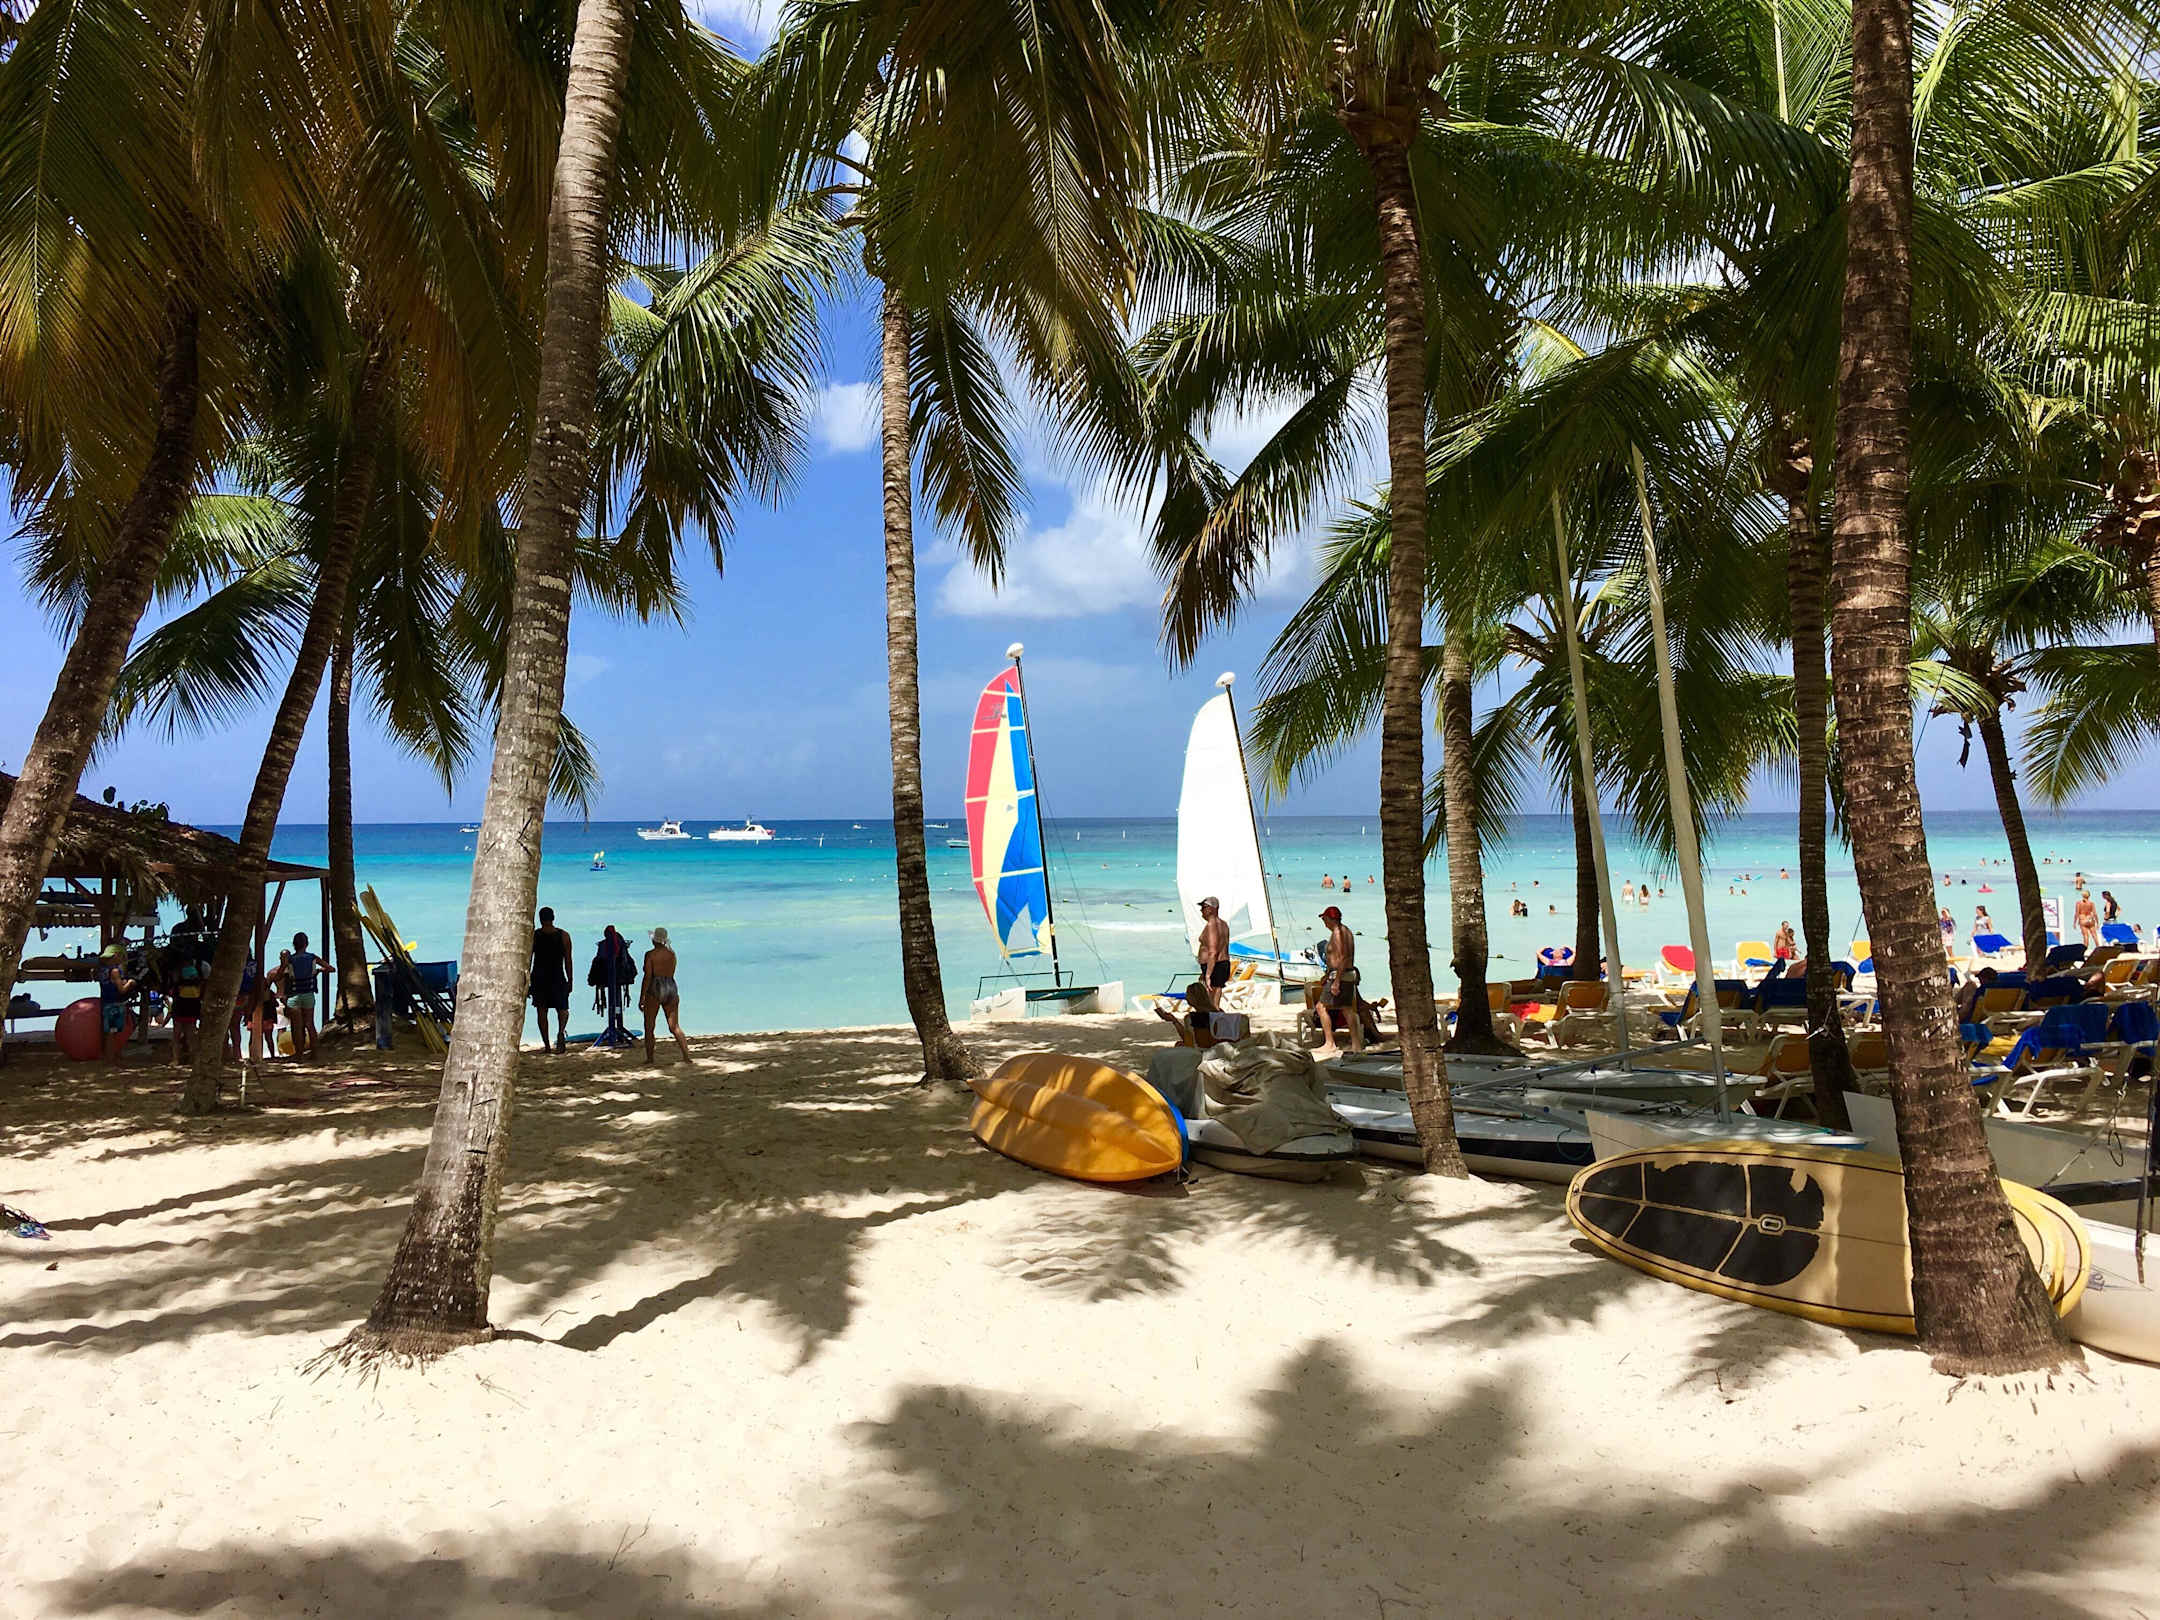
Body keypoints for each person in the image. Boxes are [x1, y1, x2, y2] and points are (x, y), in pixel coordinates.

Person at [1315, 904, 1363, 1060]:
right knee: (1347, 1009)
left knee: (1321, 1007)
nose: (1324, 923)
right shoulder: (1345, 931)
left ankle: (1330, 1043)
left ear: (1330, 919)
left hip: (1340, 975)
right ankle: (1356, 1044)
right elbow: (1338, 956)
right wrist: (1327, 974)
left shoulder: (1337, 933)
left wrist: (1336, 981)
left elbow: (1343, 958)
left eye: (1324, 919)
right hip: (1345, 974)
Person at [641, 926, 692, 1065]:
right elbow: (671, 971)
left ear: (654, 940)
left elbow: (648, 977)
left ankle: (650, 1058)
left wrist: (642, 996)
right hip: (670, 986)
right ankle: (686, 1056)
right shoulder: (672, 954)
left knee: (649, 1026)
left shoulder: (650, 955)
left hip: (655, 987)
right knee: (674, 1026)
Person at [530, 906, 574, 1054]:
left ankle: (547, 1045)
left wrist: (527, 981)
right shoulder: (564, 936)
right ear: (553, 918)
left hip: (539, 977)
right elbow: (568, 960)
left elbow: (528, 960)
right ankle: (561, 1031)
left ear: (540, 919)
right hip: (557, 975)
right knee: (563, 1009)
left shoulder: (534, 936)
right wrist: (570, 980)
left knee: (542, 1011)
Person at [282, 932, 320, 1058]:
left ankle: (299, 1055)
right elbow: (331, 968)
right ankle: (315, 1053)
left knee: (297, 1027)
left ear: (294, 945)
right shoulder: (312, 957)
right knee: (310, 1024)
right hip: (308, 994)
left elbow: (279, 974)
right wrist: (318, 971)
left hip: (294, 994)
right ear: (306, 944)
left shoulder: (291, 959)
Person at [96, 943, 135, 1064]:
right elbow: (121, 990)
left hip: (106, 1003)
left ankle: (112, 1055)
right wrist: (130, 983)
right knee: (112, 1033)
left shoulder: (102, 971)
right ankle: (111, 1058)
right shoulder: (115, 971)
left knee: (110, 1032)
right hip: (115, 1004)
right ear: (117, 956)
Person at [1195, 896, 1230, 991]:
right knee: (1216, 994)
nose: (1201, 910)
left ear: (1211, 909)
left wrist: (1208, 975)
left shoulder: (1212, 926)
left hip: (1215, 966)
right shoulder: (1224, 924)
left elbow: (1213, 952)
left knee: (1210, 996)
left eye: (1203, 907)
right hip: (1221, 964)